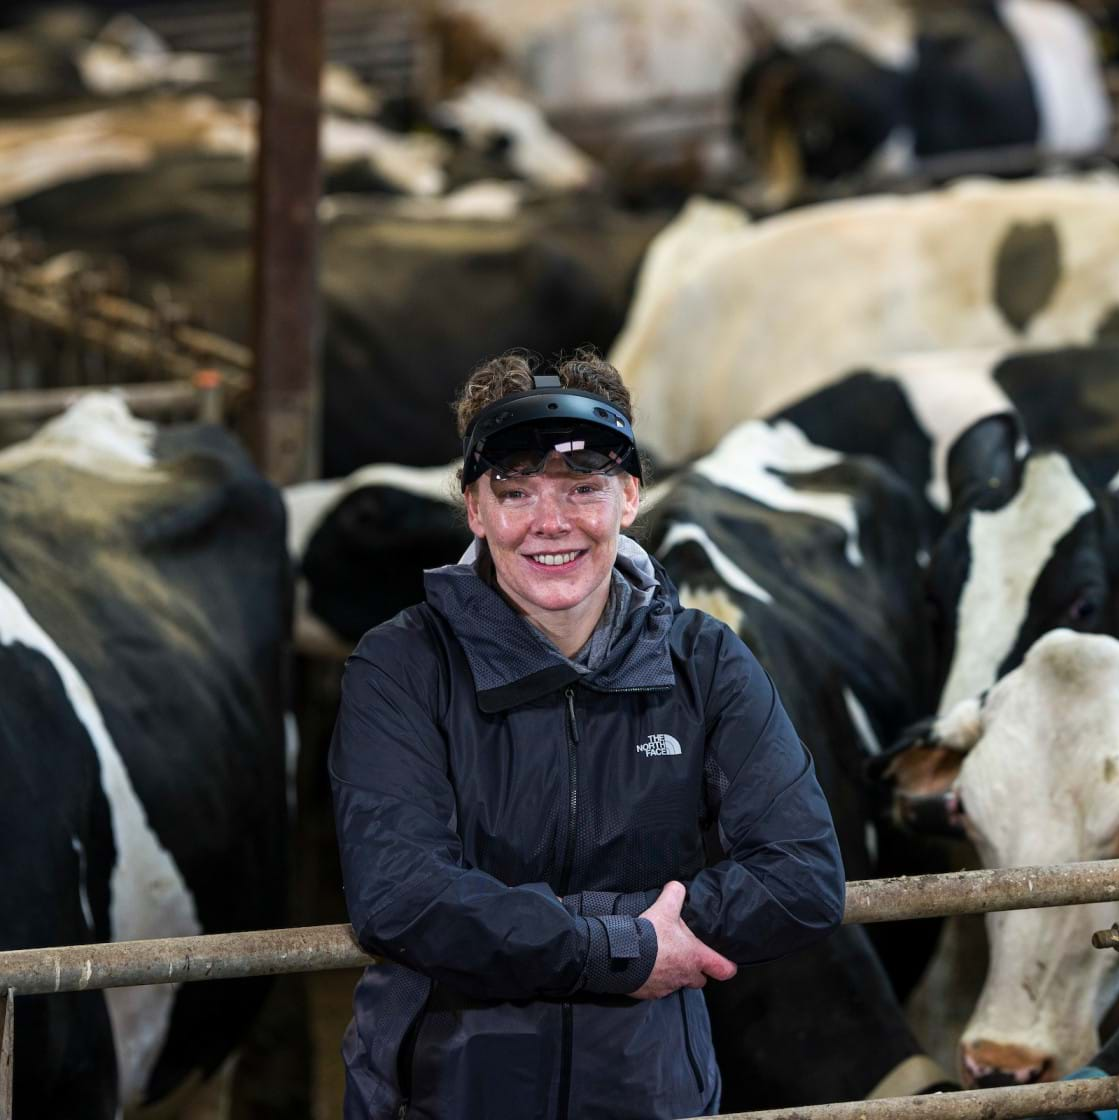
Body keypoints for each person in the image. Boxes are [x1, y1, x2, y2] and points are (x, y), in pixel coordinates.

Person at [329, 350, 846, 1119]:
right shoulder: (401, 666)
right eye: (514, 492)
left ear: (629, 496)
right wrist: (628, 947)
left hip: (650, 1092)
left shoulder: (704, 661)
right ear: (474, 509)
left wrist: (570, 932)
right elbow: (400, 894)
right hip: (443, 1093)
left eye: (582, 489)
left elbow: (803, 874)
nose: (551, 524)